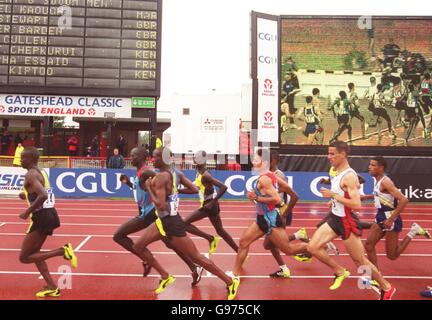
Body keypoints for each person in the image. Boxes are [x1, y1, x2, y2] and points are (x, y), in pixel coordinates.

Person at [133, 148, 240, 300]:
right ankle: (165, 276)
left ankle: (230, 282)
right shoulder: (176, 173)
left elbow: (161, 205)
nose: (153, 159)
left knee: (196, 257)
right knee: (138, 246)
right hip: (161, 221)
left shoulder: (162, 177)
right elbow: (194, 188)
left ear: (165, 159)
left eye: (156, 157)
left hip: (171, 222)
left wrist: (150, 188)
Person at [307, 141, 396, 300]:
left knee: (360, 260)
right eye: (328, 153)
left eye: (332, 154)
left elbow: (356, 205)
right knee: (312, 247)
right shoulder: (335, 171)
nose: (329, 157)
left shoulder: (349, 176)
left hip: (346, 221)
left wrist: (333, 196)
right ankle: (340, 271)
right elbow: (342, 195)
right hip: (335, 217)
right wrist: (334, 201)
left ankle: (386, 287)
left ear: (343, 154)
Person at [113, 147, 202, 286]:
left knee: (119, 236)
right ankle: (193, 267)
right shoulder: (140, 172)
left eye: (134, 155)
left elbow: (158, 184)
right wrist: (129, 183)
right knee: (171, 243)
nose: (130, 158)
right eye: (130, 155)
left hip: (151, 214)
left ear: (143, 157)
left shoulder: (148, 171)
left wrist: (168, 190)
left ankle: (149, 260)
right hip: (146, 213)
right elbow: (140, 191)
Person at [229, 148, 309, 290]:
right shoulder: (270, 175)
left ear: (264, 162)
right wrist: (257, 198)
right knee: (243, 242)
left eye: (256, 159)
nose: (253, 161)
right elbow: (283, 190)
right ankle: (234, 274)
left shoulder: (265, 178)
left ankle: (316, 246)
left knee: (289, 250)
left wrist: (257, 197)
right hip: (261, 219)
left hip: (270, 220)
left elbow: (277, 199)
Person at [18, 147, 77, 297]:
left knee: (24, 257)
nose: (20, 159)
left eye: (23, 157)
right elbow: (40, 191)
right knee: (35, 253)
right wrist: (25, 194)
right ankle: (52, 286)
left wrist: (27, 211)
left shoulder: (30, 174)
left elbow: (43, 195)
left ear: (31, 159)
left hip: (42, 216)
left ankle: (62, 251)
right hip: (48, 214)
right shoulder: (40, 171)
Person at [362, 157, 430, 268]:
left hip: (390, 218)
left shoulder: (386, 182)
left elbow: (404, 200)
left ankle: (413, 231)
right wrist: (366, 197)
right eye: (370, 164)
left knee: (392, 255)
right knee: (369, 245)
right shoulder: (378, 181)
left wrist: (391, 219)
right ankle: (376, 275)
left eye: (373, 165)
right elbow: (381, 194)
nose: (369, 167)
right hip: (380, 216)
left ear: (381, 168)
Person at [264, 150, 310, 278]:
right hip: (271, 214)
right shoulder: (267, 175)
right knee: (269, 244)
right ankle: (284, 268)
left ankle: (318, 246)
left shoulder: (279, 175)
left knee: (280, 246)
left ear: (274, 161)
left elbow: (292, 196)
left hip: (278, 213)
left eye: (268, 159)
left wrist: (285, 214)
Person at [183, 150, 239, 253]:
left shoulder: (206, 175)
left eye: (197, 158)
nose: (195, 159)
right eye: (195, 157)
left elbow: (223, 187)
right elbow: (194, 190)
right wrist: (177, 190)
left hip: (209, 205)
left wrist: (212, 203)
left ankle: (210, 238)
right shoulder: (199, 173)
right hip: (210, 205)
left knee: (184, 224)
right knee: (220, 231)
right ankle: (239, 251)